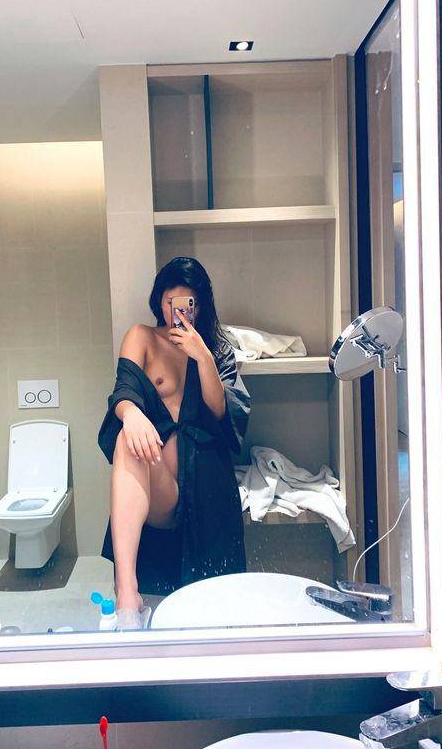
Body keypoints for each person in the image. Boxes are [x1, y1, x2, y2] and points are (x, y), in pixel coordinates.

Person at [97, 256, 251, 628]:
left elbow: (221, 413)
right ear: (159, 300)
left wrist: (203, 356)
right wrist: (131, 415)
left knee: (211, 613)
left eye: (187, 303)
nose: (177, 312)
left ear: (201, 305)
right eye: (170, 302)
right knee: (126, 439)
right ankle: (127, 596)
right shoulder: (142, 337)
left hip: (206, 489)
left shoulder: (215, 349)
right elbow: (124, 390)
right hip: (160, 487)